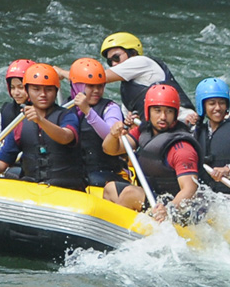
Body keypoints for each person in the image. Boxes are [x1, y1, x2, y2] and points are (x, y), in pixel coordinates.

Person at [0, 63, 84, 190]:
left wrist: (40, 120)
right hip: (32, 187)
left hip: (66, 187)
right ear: (27, 91)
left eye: (48, 89)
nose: (43, 94)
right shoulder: (20, 123)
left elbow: (66, 137)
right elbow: (0, 163)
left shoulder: (68, 115)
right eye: (36, 89)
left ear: (56, 90)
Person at [100, 83, 201, 222]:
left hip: (174, 206)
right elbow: (110, 149)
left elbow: (189, 189)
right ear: (148, 111)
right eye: (157, 110)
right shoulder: (143, 131)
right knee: (110, 189)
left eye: (169, 111)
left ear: (176, 113)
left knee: (129, 194)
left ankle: (122, 235)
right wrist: (113, 135)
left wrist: (169, 210)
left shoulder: (181, 147)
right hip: (154, 195)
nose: (163, 117)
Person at [99, 30, 196, 123]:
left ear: (133, 53)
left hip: (184, 122)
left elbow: (98, 77)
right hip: (160, 129)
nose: (114, 64)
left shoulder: (141, 61)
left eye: (116, 57)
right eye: (109, 61)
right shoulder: (126, 92)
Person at [68, 58, 127, 190]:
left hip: (106, 171)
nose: (96, 91)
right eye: (90, 86)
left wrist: (88, 111)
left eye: (100, 86)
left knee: (95, 179)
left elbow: (110, 135)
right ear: (77, 86)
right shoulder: (65, 109)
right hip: (75, 171)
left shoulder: (111, 107)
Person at [0, 58, 32, 131]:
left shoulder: (44, 111)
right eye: (12, 87)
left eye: (21, 87)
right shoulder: (6, 110)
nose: (16, 93)